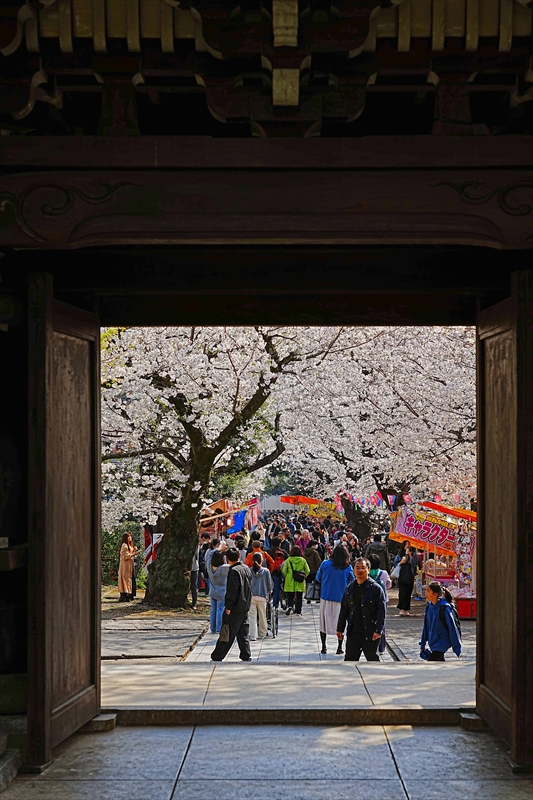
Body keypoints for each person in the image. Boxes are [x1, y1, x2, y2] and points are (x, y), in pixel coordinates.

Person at [337, 557, 386, 662]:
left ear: (368, 569)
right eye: (357, 568)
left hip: (370, 632)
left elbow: (381, 611)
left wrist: (378, 630)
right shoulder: (349, 588)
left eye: (363, 568)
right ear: (353, 570)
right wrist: (340, 628)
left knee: (373, 661)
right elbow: (344, 610)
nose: (360, 570)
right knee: (350, 662)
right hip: (353, 632)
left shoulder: (376, 589)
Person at [211, 548, 253, 662]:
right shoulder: (246, 568)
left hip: (235, 606)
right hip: (245, 604)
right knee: (243, 631)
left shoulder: (234, 571)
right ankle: (246, 654)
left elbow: (232, 591)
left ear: (227, 558)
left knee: (228, 631)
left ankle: (218, 655)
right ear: (239, 556)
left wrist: (228, 607)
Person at [315, 545, 354, 654]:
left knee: (324, 623)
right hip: (341, 599)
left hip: (326, 597)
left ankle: (324, 647)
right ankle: (339, 647)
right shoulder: (347, 567)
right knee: (341, 623)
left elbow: (318, 578)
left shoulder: (325, 564)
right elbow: (352, 581)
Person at [420, 581, 462, 661]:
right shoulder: (429, 607)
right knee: (439, 665)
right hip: (433, 642)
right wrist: (422, 645)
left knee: (431, 664)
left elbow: (453, 628)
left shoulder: (445, 608)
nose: (426, 593)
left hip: (442, 642)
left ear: (435, 594)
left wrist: (457, 648)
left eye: (428, 591)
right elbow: (425, 627)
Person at [368, 552, 392, 654]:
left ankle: (370, 646)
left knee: (369, 623)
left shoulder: (367, 573)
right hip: (383, 600)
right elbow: (389, 585)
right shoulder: (384, 573)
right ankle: (381, 648)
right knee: (381, 623)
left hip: (369, 601)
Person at [249, 552, 273, 640]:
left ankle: (253, 635)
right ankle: (262, 633)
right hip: (262, 596)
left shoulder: (249, 570)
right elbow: (269, 584)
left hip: (252, 596)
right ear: (262, 561)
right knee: (263, 616)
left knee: (252, 616)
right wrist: (270, 590)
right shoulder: (266, 571)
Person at [281, 545, 310, 616]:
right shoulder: (303, 560)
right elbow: (308, 570)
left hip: (290, 580)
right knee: (299, 597)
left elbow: (284, 570)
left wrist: (287, 576)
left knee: (290, 596)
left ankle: (290, 606)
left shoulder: (288, 560)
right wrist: (304, 576)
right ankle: (298, 612)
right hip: (299, 581)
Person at [208, 549, 230, 633]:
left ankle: (212, 627)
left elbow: (209, 555)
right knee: (220, 609)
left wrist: (218, 549)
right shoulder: (224, 568)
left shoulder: (209, 566)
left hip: (212, 591)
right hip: (221, 592)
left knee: (213, 610)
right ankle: (218, 628)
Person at [395, 541, 418, 616]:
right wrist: (401, 562)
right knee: (402, 593)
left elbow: (415, 564)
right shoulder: (399, 554)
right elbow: (395, 564)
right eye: (406, 544)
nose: (407, 546)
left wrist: (410, 557)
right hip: (401, 575)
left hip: (410, 575)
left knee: (408, 593)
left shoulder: (413, 554)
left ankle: (406, 609)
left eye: (408, 544)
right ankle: (401, 608)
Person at [266, 536, 287, 609]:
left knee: (268, 588)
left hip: (269, 572)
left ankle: (267, 604)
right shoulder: (283, 552)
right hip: (279, 572)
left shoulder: (268, 552)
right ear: (279, 544)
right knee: (277, 589)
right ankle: (275, 605)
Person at [118, 532, 138, 602]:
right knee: (126, 579)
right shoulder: (124, 545)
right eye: (128, 537)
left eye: (130, 536)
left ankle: (130, 594)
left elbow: (129, 553)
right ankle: (125, 595)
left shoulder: (129, 545)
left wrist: (134, 550)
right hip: (125, 566)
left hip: (129, 566)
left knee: (130, 579)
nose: (130, 538)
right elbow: (125, 556)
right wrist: (133, 554)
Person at [303, 540, 322, 604]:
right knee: (317, 585)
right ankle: (317, 597)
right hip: (314, 571)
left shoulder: (305, 552)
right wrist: (319, 569)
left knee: (308, 584)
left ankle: (308, 597)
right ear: (313, 545)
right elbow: (318, 561)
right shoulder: (315, 553)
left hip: (307, 571)